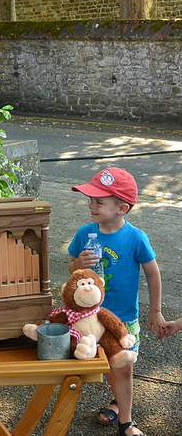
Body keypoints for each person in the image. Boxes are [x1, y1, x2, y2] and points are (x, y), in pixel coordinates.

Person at [67, 167, 164, 436]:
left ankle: (126, 421)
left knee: (122, 367)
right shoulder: (85, 233)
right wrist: (77, 264)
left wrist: (155, 311)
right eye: (90, 200)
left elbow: (153, 274)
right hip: (90, 317)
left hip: (123, 318)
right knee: (103, 365)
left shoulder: (136, 238)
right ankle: (118, 402)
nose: (91, 205)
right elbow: (71, 271)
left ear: (122, 208)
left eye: (99, 201)